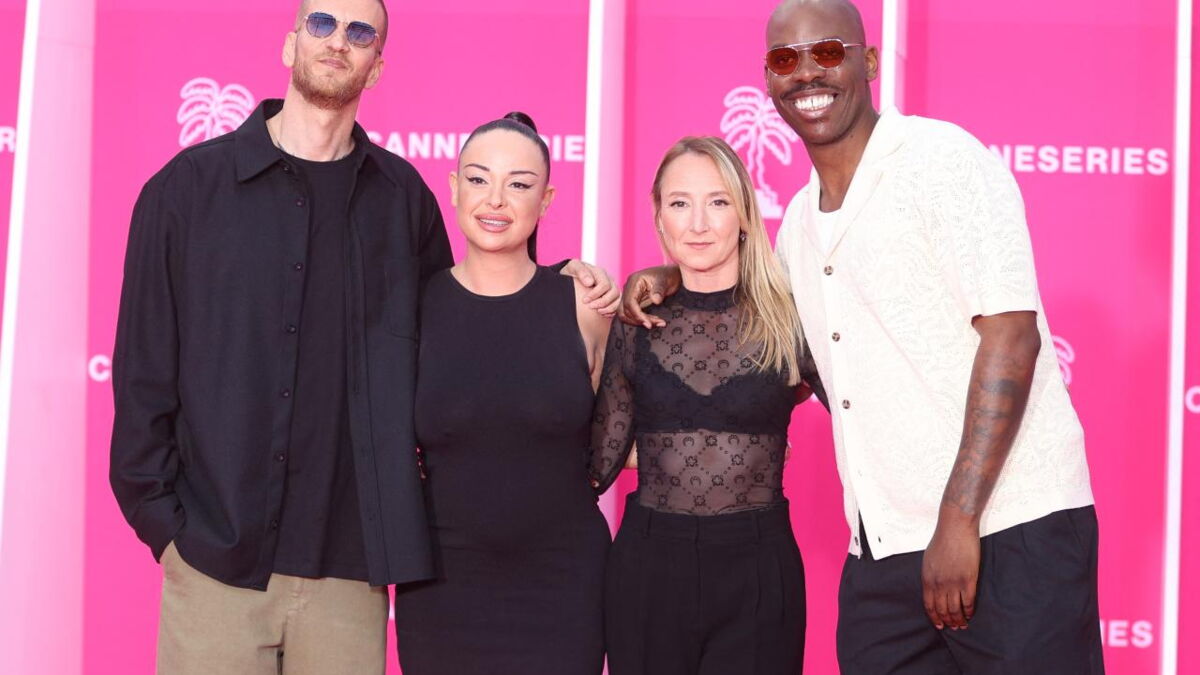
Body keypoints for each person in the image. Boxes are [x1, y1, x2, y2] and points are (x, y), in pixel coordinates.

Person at [108, 1, 617, 671]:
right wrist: (167, 530)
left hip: (351, 577)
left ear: (376, 66)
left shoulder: (403, 200)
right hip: (215, 563)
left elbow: (467, 327)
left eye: (360, 32)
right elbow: (143, 373)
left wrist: (562, 286)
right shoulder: (186, 192)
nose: (338, 41)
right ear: (290, 44)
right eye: (321, 23)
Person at [621, 1, 1103, 672]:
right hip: (882, 550)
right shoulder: (797, 229)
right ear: (768, 79)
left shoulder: (942, 161)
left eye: (828, 52)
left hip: (1008, 528)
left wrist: (958, 521)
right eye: (785, 60)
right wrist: (672, 276)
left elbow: (1012, 338)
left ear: (869, 61)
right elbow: (775, 345)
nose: (807, 74)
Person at [592, 136, 826, 675]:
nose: (698, 223)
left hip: (758, 569)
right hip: (648, 568)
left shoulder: (791, 318)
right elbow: (598, 463)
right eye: (680, 203)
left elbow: (866, 416)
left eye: (717, 202)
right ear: (659, 217)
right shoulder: (637, 320)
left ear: (744, 214)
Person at [392, 112, 611, 675]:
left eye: (519, 184)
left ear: (546, 200)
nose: (495, 200)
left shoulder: (585, 306)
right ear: (453, 187)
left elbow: (627, 433)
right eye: (478, 179)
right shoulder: (412, 309)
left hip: (565, 583)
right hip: (441, 585)